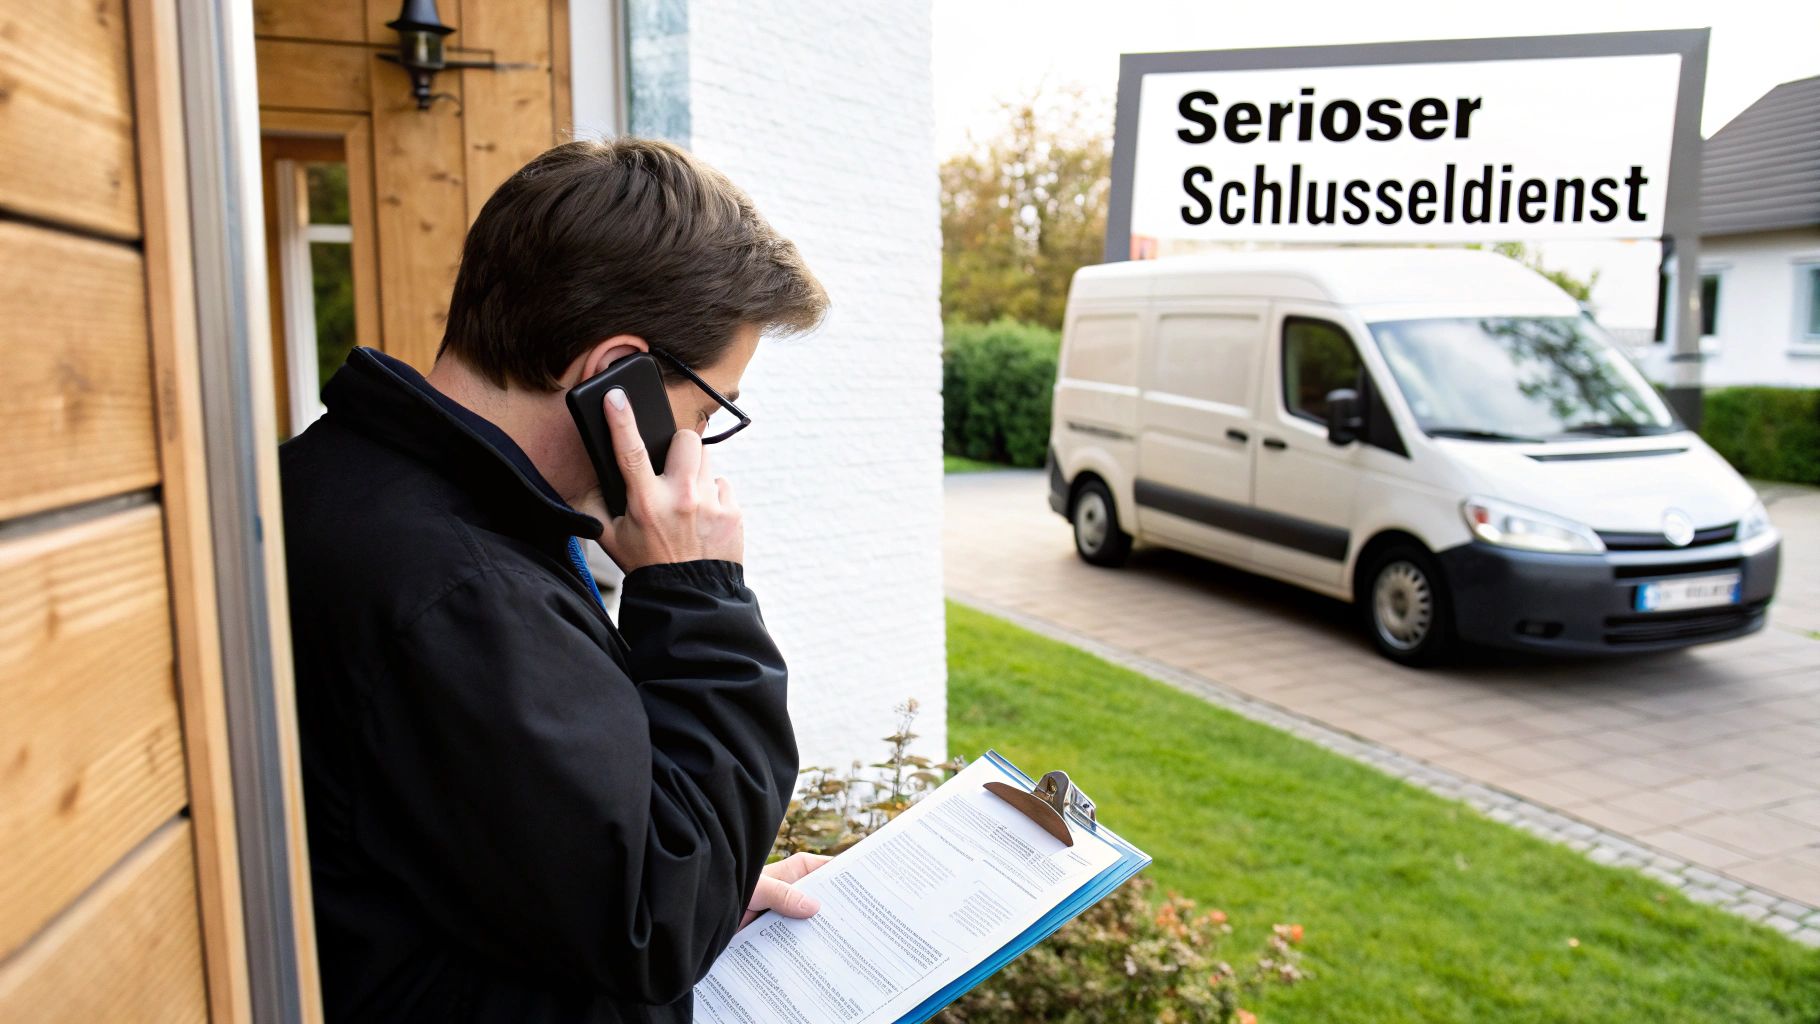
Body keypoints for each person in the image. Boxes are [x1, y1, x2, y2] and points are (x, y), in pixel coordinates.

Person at [280, 138, 831, 1022]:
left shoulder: (367, 487)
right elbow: (652, 923)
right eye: (702, 412)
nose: (696, 447)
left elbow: (526, 845)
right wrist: (701, 591)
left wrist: (713, 887)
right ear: (617, 375)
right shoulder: (463, 592)